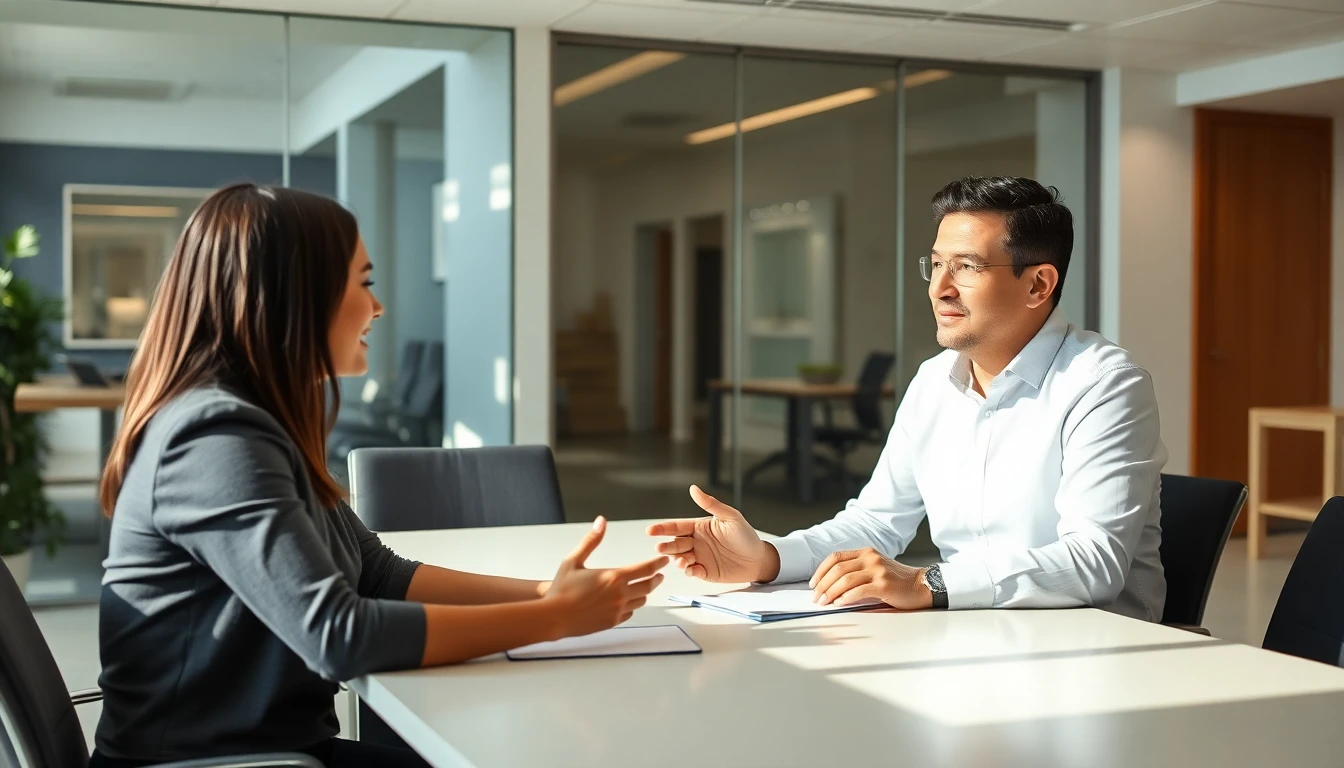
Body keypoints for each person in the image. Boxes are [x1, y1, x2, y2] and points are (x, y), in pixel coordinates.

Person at [90, 184, 667, 768]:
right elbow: (340, 637)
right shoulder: (214, 438)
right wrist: (552, 619)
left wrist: (548, 594)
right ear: (296, 297)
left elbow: (376, 571)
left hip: (273, 750)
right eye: (364, 282)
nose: (379, 306)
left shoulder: (261, 420)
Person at [650, 176, 1166, 622]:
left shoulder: (1103, 385)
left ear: (1038, 284)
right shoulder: (934, 381)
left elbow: (1093, 563)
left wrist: (928, 585)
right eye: (936, 264)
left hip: (1092, 648)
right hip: (972, 631)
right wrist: (767, 558)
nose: (939, 288)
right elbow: (875, 522)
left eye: (966, 267)